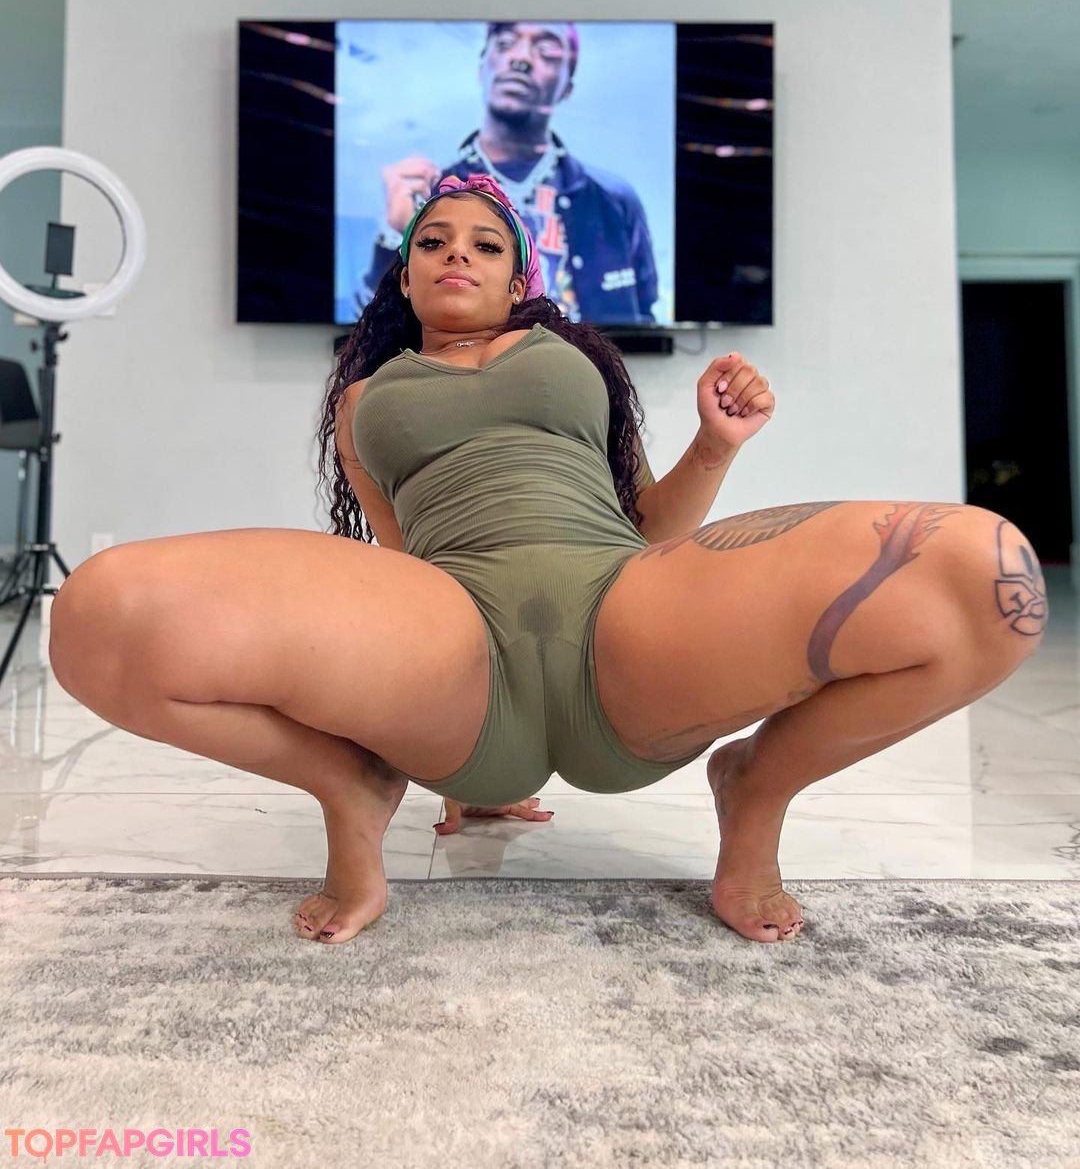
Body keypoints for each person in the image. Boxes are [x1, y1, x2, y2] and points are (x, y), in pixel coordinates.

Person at [49, 176, 1047, 950]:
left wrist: (715, 444)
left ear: (520, 278)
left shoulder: (579, 360)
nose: (457, 252)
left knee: (983, 574)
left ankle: (758, 789)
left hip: (627, 618)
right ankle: (349, 785)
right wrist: (398, 706)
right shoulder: (363, 400)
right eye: (432, 241)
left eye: (485, 243)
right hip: (454, 646)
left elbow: (649, 524)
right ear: (403, 277)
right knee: (100, 613)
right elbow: (395, 559)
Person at [364, 21, 660, 325]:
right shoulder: (429, 194)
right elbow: (373, 329)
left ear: (567, 88)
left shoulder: (613, 199)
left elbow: (645, 318)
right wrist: (393, 236)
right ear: (481, 69)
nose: (521, 58)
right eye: (505, 44)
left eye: (546, 51)